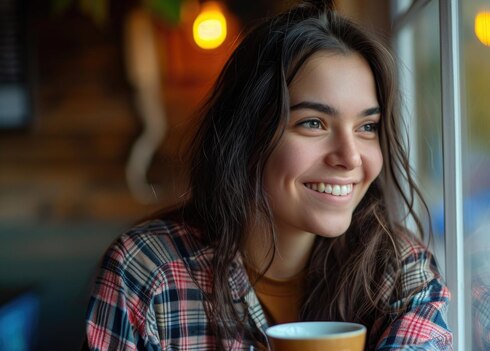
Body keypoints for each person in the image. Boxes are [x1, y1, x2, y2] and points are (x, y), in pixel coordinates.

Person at [84, 1, 452, 350]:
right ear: (246, 135)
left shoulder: (399, 271)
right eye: (313, 123)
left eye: (367, 126)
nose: (351, 156)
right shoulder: (148, 272)